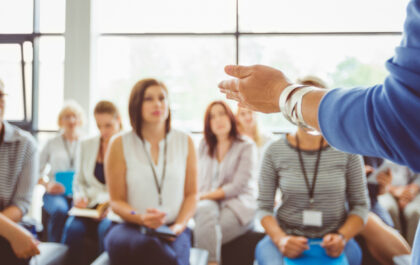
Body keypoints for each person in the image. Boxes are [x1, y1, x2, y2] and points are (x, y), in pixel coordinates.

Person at [218, 0, 420, 262]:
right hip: (287, 237)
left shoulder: (347, 149)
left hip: (332, 238)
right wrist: (281, 239)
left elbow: (360, 206)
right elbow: (263, 207)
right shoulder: (275, 151)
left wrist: (343, 237)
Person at [104, 78, 197, 265]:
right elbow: (116, 201)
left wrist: (179, 225)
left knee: (175, 259)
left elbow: (192, 194)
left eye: (162, 98)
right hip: (129, 227)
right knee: (150, 247)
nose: (157, 104)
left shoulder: (185, 141)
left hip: (174, 229)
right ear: (136, 104)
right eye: (149, 99)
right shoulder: (119, 143)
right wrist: (140, 218)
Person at [194, 101, 257, 265]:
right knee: (205, 213)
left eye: (221, 113)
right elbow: (197, 179)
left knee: (206, 232)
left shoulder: (246, 145)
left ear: (230, 116)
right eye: (212, 117)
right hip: (208, 204)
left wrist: (202, 196)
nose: (218, 120)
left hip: (237, 204)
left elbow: (237, 186)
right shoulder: (204, 145)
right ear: (208, 124)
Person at [61, 101, 122, 265]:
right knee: (72, 229)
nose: (103, 131)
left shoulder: (126, 146)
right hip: (88, 207)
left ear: (119, 121)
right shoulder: (87, 145)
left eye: (108, 125)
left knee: (105, 229)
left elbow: (129, 187)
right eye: (99, 125)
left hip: (113, 208)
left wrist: (110, 206)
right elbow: (78, 180)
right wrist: (78, 196)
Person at [0, 79, 40, 264]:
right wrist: (8, 230)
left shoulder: (26, 144)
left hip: (8, 218)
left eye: (0, 96)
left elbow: (21, 203)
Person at [40, 101, 84, 242]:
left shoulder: (86, 143)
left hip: (77, 193)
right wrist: (47, 185)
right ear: (61, 120)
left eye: (74, 116)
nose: (71, 120)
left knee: (76, 216)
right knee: (60, 210)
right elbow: (35, 171)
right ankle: (54, 252)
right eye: (67, 117)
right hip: (55, 194)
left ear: (80, 119)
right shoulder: (52, 142)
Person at [376, 162, 420, 246]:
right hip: (386, 189)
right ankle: (397, 251)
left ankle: (413, 255)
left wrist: (411, 190)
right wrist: (395, 190)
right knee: (389, 209)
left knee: (415, 212)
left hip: (412, 190)